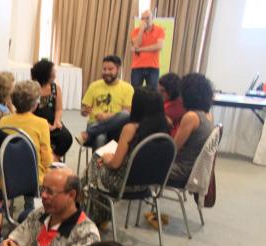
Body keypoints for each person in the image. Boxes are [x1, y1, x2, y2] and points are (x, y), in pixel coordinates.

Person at [86, 87, 170, 225]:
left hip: (124, 183)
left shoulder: (131, 128)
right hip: (148, 184)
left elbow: (115, 164)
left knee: (96, 161)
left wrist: (106, 158)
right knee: (95, 169)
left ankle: (96, 214)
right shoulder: (165, 127)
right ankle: (94, 210)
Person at [148, 73, 214, 229]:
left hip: (181, 171)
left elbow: (172, 149)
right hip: (193, 169)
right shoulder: (208, 115)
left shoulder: (191, 117)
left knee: (136, 161)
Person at [0, 79, 54, 188]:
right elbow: (46, 159)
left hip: (8, 176)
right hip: (34, 178)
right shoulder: (42, 123)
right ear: (35, 104)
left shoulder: (3, 121)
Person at [79, 55, 134, 149]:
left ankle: (90, 132)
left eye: (110, 69)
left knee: (125, 115)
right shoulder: (94, 86)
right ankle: (97, 160)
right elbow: (84, 111)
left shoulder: (128, 88)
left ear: (118, 69)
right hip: (95, 122)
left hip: (116, 127)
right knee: (100, 138)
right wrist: (84, 111)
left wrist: (107, 116)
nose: (107, 72)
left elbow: (127, 113)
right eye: (104, 69)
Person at [31, 58, 73, 160]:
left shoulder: (55, 88)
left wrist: (57, 121)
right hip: (35, 122)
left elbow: (59, 109)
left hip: (53, 123)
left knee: (67, 138)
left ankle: (53, 159)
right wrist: (44, 125)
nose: (55, 74)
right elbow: (27, 112)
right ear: (45, 74)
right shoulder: (32, 88)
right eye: (53, 71)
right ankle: (47, 160)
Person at [130, 10, 165, 89]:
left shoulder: (159, 30)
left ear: (152, 18)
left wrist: (140, 49)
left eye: (147, 18)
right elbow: (136, 45)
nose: (145, 20)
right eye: (142, 18)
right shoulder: (136, 31)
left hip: (153, 66)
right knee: (135, 91)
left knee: (152, 91)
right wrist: (141, 30)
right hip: (137, 66)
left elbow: (159, 46)